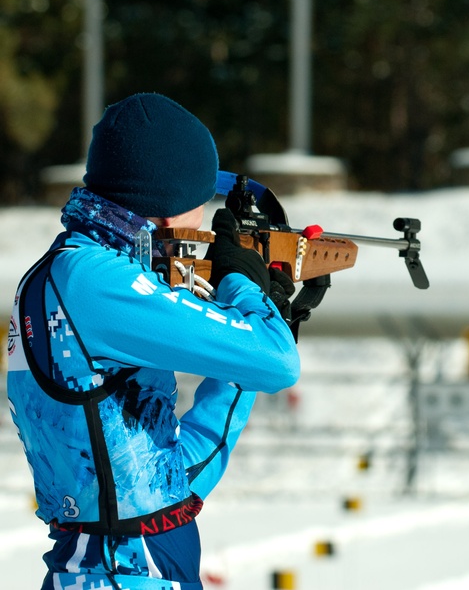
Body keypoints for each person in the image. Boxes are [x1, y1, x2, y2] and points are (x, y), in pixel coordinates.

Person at [6, 93, 300, 589]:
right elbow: (278, 364)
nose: (203, 224)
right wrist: (242, 285)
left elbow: (165, 484)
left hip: (131, 565)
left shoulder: (72, 273)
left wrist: (275, 320)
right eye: (201, 206)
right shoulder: (94, 282)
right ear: (167, 208)